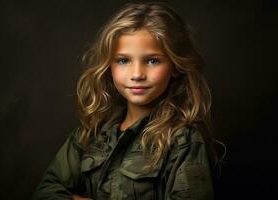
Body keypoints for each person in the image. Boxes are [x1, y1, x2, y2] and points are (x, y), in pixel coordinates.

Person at [32, 2, 222, 200]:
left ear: (175, 65)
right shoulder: (93, 133)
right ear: (109, 65)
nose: (137, 74)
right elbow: (45, 192)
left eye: (152, 60)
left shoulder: (182, 140)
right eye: (123, 60)